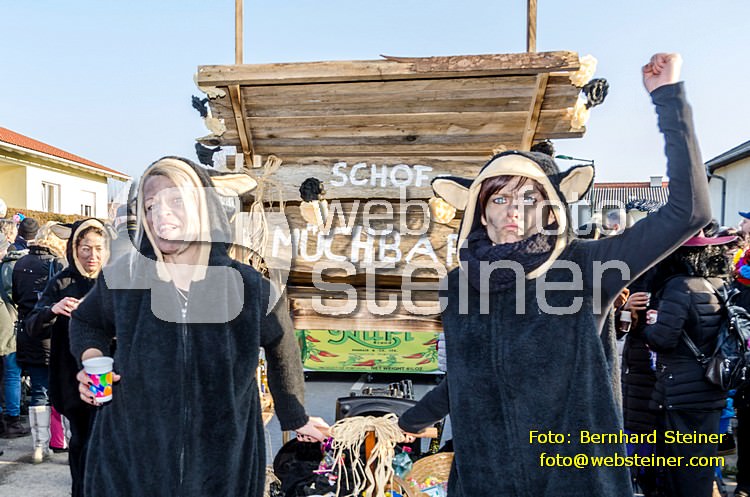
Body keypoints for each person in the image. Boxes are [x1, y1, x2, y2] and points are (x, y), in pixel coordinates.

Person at [397, 53, 711, 496]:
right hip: (484, 481)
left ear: (550, 209)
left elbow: (690, 211)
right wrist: (410, 420)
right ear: (479, 212)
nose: (514, 210)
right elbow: (469, 375)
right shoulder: (458, 284)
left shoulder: (587, 266)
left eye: (529, 198)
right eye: (500, 199)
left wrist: (668, 98)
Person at [71, 157, 328, 497]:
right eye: (150, 206)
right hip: (131, 459)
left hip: (223, 461)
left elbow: (282, 346)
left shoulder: (249, 286)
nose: (161, 214)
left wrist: (295, 415)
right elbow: (86, 322)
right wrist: (92, 361)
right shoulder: (124, 278)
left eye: (176, 200)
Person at [644, 230, 737, 497]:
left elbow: (663, 339)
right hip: (712, 388)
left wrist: (649, 326)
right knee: (700, 468)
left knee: (679, 472)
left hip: (680, 393)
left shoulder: (679, 286)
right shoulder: (719, 284)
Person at [25, 219, 109, 497]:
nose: (92, 256)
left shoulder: (116, 283)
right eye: (85, 248)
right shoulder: (61, 282)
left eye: (99, 248)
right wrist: (53, 309)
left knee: (107, 447)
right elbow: (32, 326)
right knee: (82, 443)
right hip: (72, 380)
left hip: (110, 379)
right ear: (74, 248)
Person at [12, 221, 67, 462]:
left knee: (38, 390)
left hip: (29, 330)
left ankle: (39, 445)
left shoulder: (20, 263)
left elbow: (16, 296)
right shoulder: (58, 264)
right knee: (61, 390)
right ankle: (62, 440)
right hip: (53, 333)